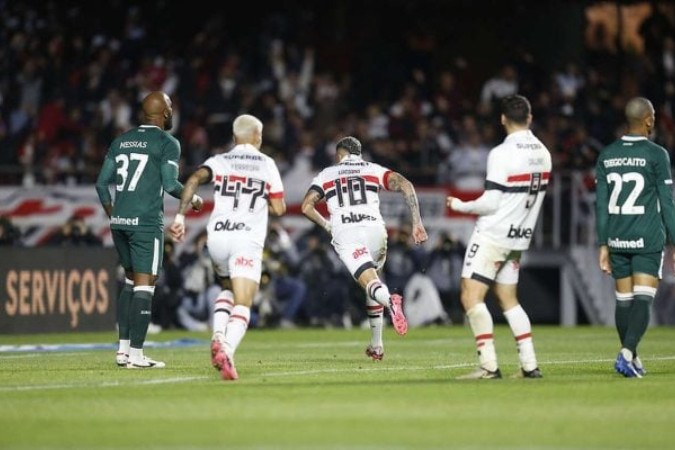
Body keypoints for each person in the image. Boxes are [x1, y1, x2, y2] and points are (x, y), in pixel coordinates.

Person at [169, 114, 286, 381]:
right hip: (246, 239)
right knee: (244, 302)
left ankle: (217, 335)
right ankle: (227, 349)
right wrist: (257, 199)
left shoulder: (220, 160)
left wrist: (179, 217)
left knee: (226, 288)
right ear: (258, 136)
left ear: (235, 138)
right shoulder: (267, 164)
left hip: (218, 238)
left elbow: (194, 179)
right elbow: (279, 207)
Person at [95, 91, 203, 369]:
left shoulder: (121, 140)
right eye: (170, 106)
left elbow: (100, 184)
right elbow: (170, 184)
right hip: (145, 224)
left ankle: (122, 351)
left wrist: (115, 214)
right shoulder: (168, 142)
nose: (172, 111)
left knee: (130, 282)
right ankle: (137, 355)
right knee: (145, 286)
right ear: (166, 113)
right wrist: (193, 197)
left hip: (120, 223)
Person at [446, 94, 551, 379]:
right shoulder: (544, 152)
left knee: (470, 296)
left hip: (494, 235)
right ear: (529, 118)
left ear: (502, 119)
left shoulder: (502, 153)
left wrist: (461, 205)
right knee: (508, 298)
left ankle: (489, 365)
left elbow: (491, 203)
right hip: (519, 238)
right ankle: (530, 365)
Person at [301, 136, 428, 361]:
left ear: (340, 154)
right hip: (376, 232)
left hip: (348, 233)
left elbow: (307, 206)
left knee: (370, 283)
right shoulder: (373, 169)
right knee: (374, 280)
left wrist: (328, 225)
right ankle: (377, 345)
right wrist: (417, 222)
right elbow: (406, 184)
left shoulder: (327, 174)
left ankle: (391, 302)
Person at [595, 96, 675, 378]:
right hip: (647, 236)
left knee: (623, 300)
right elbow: (667, 202)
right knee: (643, 298)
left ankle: (632, 356)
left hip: (617, 237)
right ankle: (627, 353)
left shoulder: (607, 154)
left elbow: (601, 206)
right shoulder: (657, 155)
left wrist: (603, 243)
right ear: (649, 120)